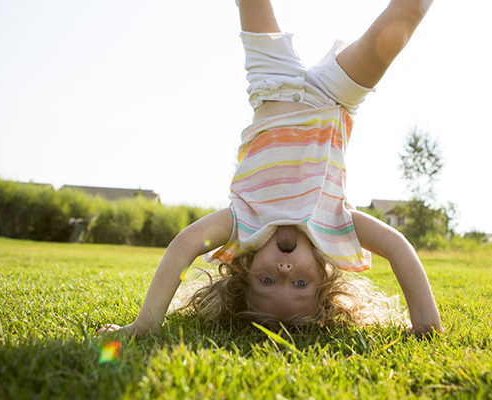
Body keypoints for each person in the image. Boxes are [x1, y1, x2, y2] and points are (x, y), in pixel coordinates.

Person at [98, 0, 442, 337]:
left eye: (267, 281)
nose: (284, 269)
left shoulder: (242, 223)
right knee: (405, 17)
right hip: (335, 95)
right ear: (324, 278)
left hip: (272, 84)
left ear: (243, 271)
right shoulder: (336, 224)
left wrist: (145, 324)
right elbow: (398, 248)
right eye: (300, 283)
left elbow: (184, 246)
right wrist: (426, 322)